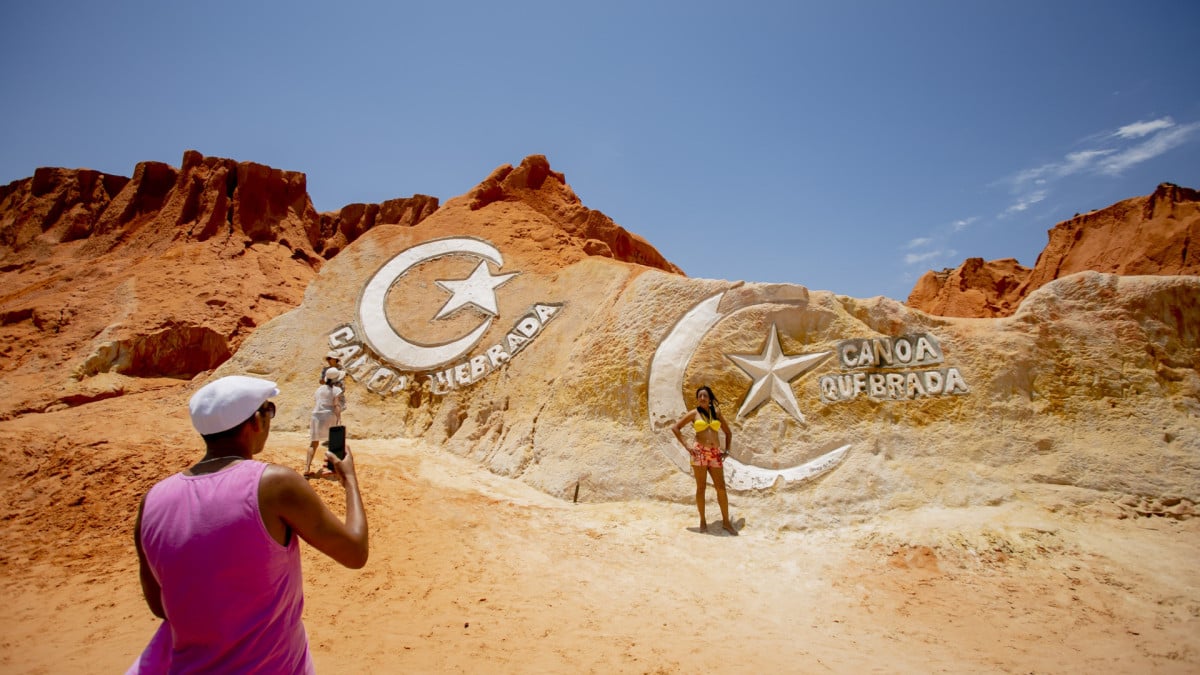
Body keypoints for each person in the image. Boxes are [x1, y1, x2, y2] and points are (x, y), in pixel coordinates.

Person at [128, 375, 368, 674]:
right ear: (256, 421)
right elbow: (354, 552)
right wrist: (350, 481)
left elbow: (159, 606)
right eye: (269, 411)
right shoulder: (275, 484)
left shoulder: (152, 499)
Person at [672, 385, 737, 535]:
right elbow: (676, 428)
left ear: (710, 399)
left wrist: (726, 451)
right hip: (699, 452)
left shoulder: (717, 413)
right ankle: (702, 520)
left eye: (705, 396)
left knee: (721, 488)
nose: (702, 398)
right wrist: (688, 447)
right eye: (700, 396)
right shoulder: (694, 413)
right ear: (697, 399)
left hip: (715, 453)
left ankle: (726, 522)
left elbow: (728, 432)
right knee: (701, 488)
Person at [307, 369, 344, 475]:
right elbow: (336, 404)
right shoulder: (336, 390)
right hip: (329, 415)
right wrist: (339, 418)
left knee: (313, 443)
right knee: (333, 443)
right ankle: (331, 468)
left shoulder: (319, 389)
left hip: (316, 415)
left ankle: (307, 468)